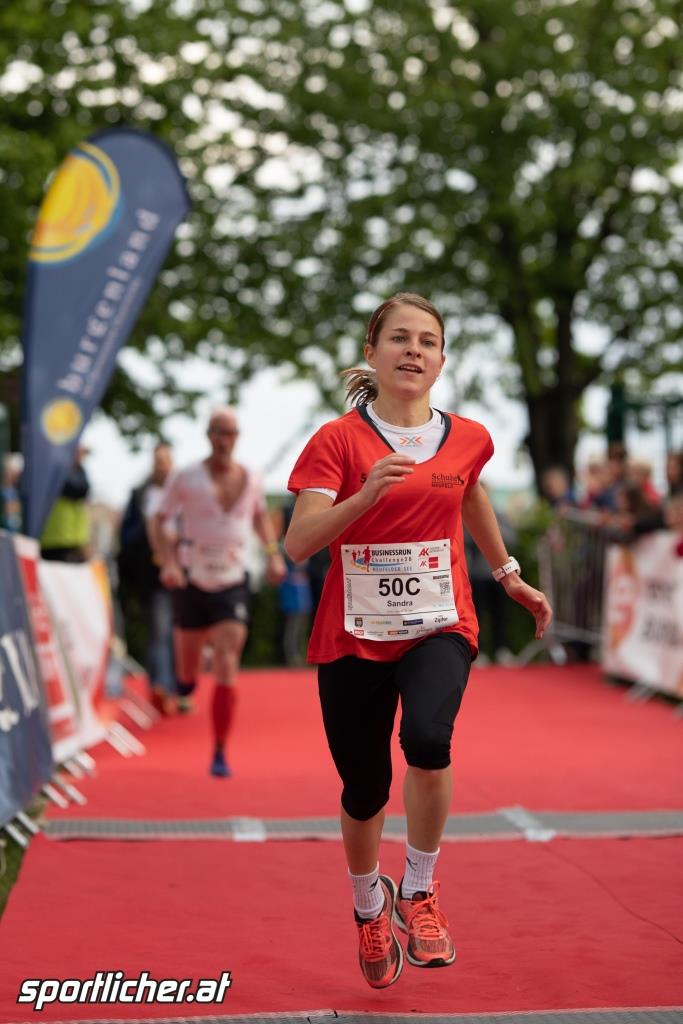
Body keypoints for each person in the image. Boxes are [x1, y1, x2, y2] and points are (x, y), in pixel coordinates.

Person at [285, 293, 552, 990]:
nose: (413, 350)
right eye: (399, 338)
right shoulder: (337, 441)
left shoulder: (468, 437)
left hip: (440, 623)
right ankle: (367, 905)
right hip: (353, 637)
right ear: (371, 352)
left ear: (440, 359)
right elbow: (297, 543)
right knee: (365, 786)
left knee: (429, 739)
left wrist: (508, 575)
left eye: (427, 341)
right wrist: (364, 496)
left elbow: (469, 491)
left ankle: (420, 889)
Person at [149, 408, 286, 777]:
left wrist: (273, 555)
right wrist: (168, 562)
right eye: (218, 432)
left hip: (233, 579)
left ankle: (220, 750)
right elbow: (159, 519)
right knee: (187, 673)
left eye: (231, 433)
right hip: (192, 578)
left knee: (227, 659)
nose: (225, 440)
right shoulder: (186, 476)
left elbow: (259, 516)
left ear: (238, 436)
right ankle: (187, 681)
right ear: (208, 435)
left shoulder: (251, 477)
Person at [117, 443, 177, 714]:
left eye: (165, 461)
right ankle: (160, 688)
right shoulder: (140, 494)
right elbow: (126, 535)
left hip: (183, 571)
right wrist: (149, 535)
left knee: (180, 634)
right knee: (159, 631)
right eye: (157, 461)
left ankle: (178, 689)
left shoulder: (183, 491)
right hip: (152, 575)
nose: (161, 466)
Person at [40, 443, 91, 562]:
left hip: (73, 539)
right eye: (79, 452)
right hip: (54, 539)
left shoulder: (81, 473)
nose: (81, 456)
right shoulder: (58, 470)